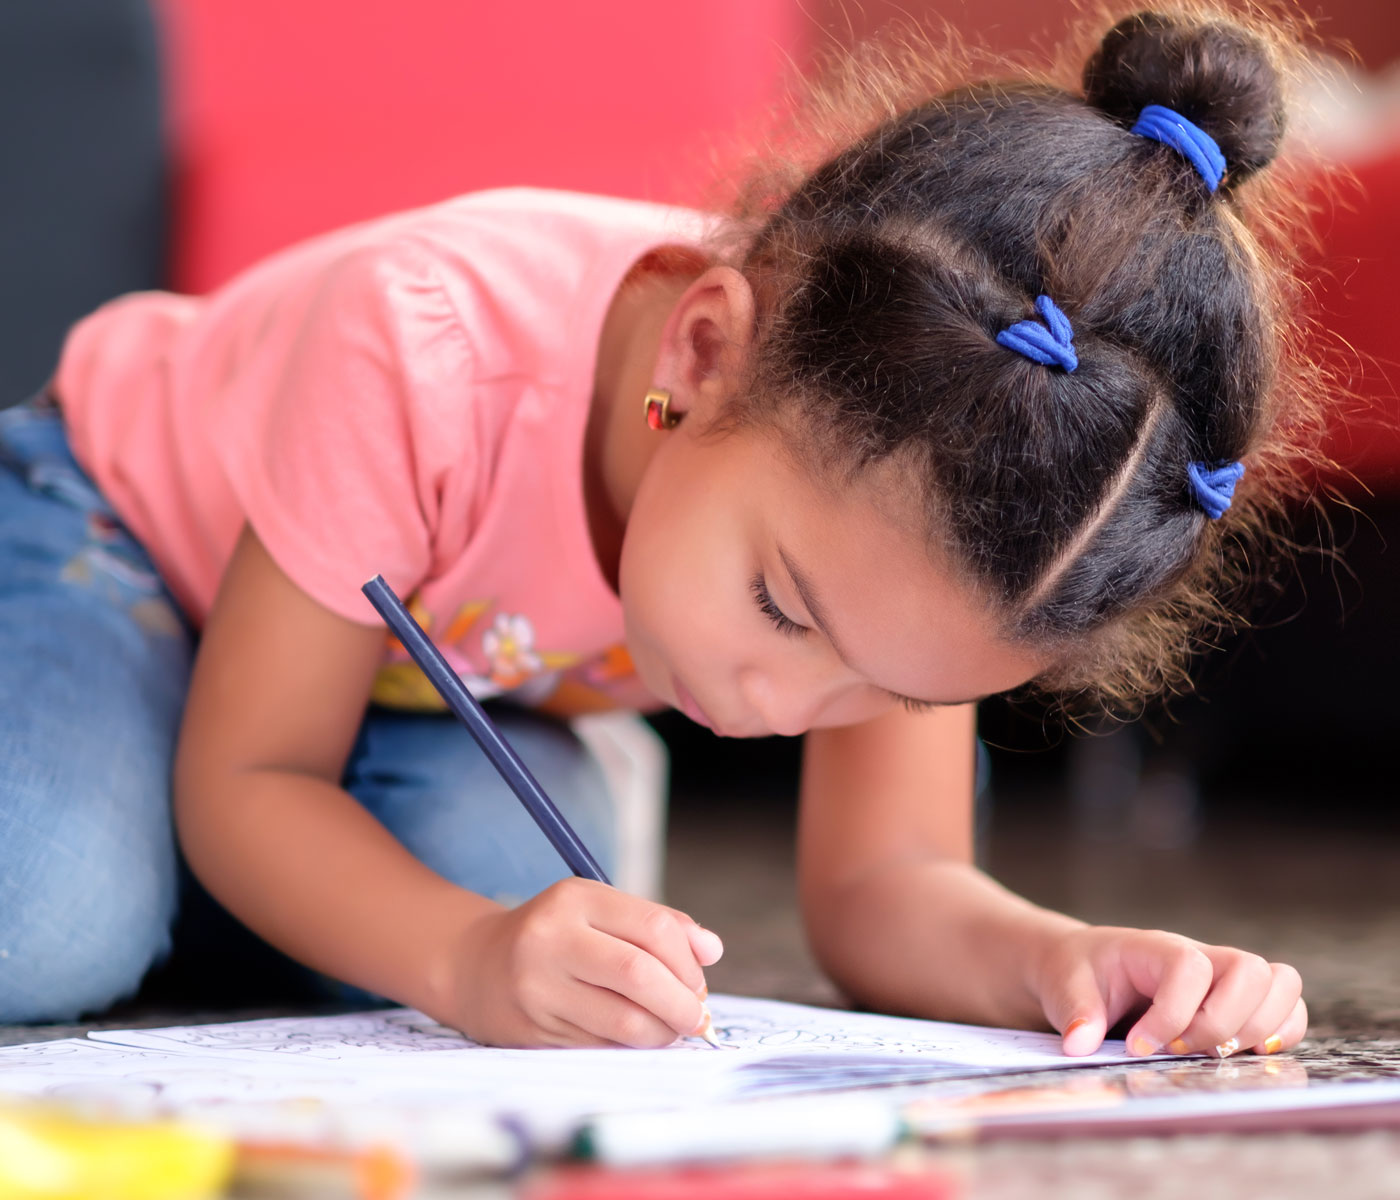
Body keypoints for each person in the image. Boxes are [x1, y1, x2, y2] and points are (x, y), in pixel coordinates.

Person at [0, 5, 1317, 1060]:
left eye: (881, 687)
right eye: (783, 609)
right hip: (111, 542)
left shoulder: (919, 521)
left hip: (413, 684)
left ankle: (183, 874)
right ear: (699, 353)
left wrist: (1059, 966)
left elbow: (885, 888)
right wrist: (460, 958)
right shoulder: (420, 352)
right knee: (46, 908)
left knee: (510, 882)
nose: (777, 707)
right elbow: (256, 777)